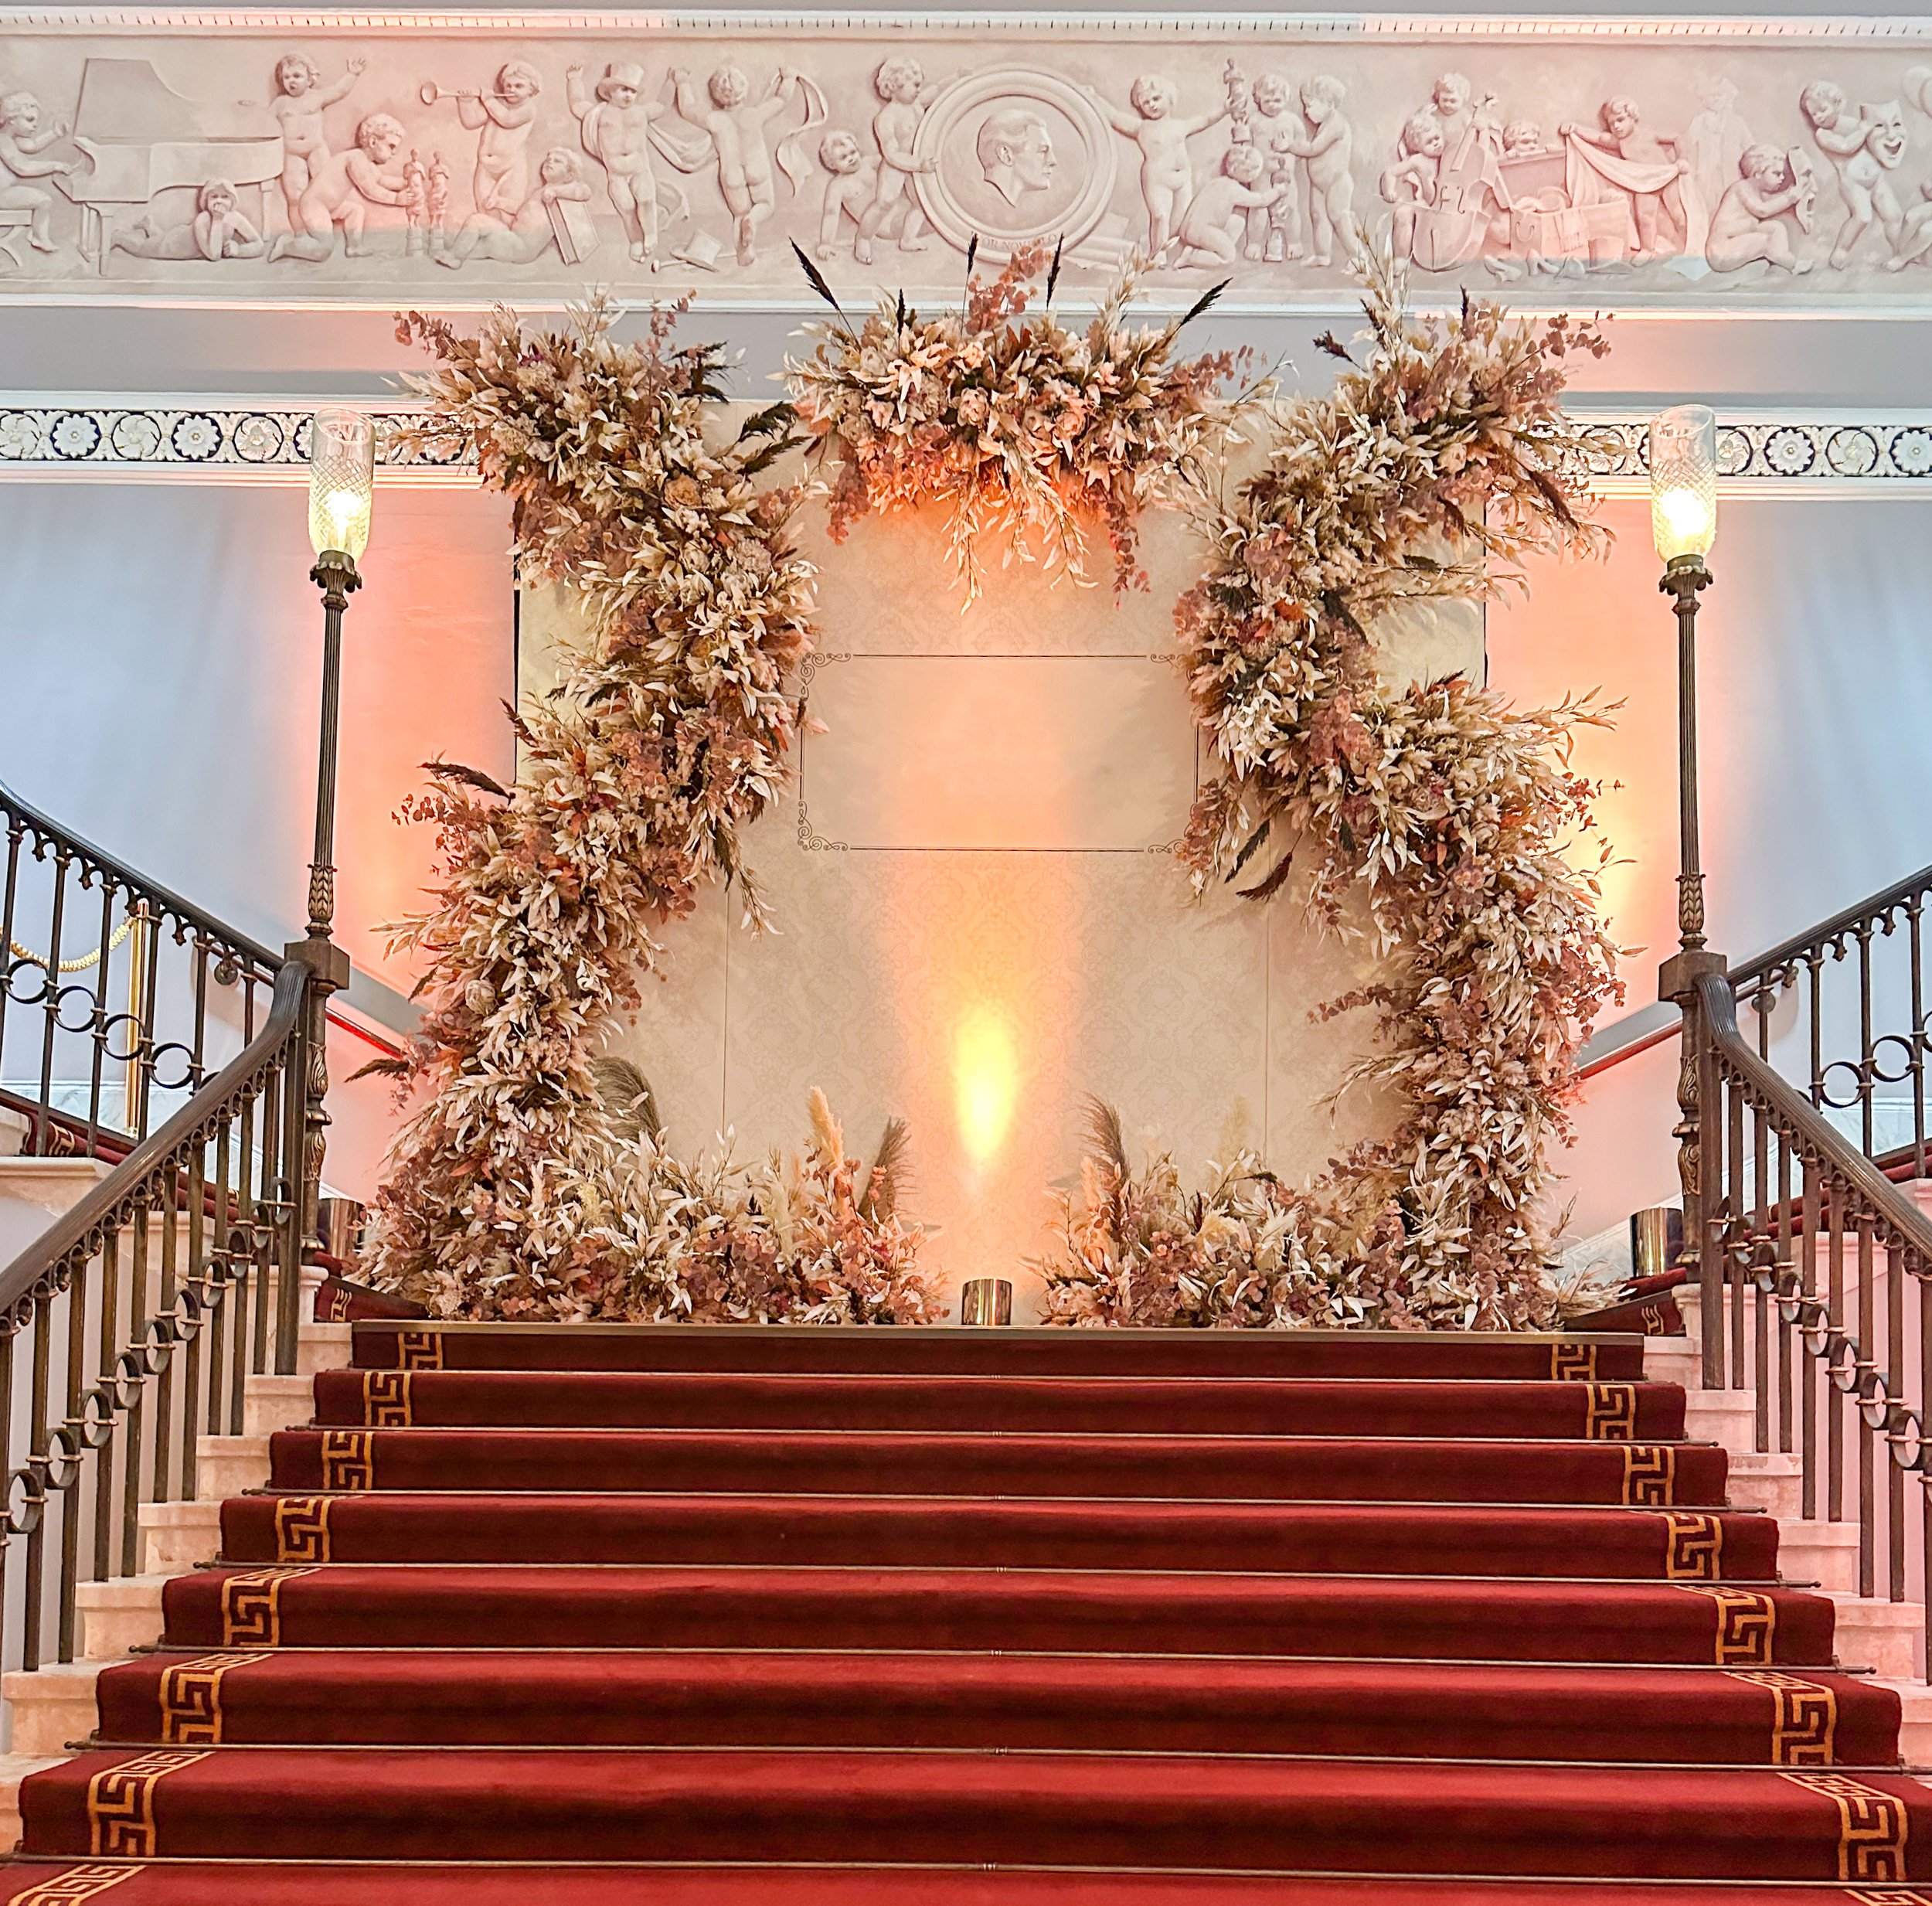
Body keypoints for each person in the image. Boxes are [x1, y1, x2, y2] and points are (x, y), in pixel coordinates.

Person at [671, 63, 805, 266]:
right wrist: (788, 78)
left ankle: (745, 254)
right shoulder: (754, 115)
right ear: (743, 90)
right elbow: (781, 100)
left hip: (731, 174)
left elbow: (687, 110)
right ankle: (753, 220)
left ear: (716, 94)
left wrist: (682, 82)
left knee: (739, 214)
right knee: (766, 205)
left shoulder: (714, 119)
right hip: (756, 168)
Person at [1089, 75, 1229, 262]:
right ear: (1139, 106)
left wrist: (1225, 109)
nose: (1152, 105)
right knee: (1161, 215)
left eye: (1156, 99)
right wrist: (1094, 98)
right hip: (1157, 179)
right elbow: (1114, 117)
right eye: (1146, 102)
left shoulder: (1180, 126)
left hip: (1183, 179)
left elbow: (1206, 119)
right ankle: (1158, 252)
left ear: (1169, 98)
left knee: (1179, 221)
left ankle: (1162, 245)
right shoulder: (1142, 128)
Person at [269, 111, 410, 261]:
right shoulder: (356, 159)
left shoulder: (366, 163)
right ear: (373, 142)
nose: (394, 152)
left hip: (330, 205)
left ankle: (354, 247)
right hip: (315, 205)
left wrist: (405, 182)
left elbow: (382, 180)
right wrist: (396, 199)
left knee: (355, 210)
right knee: (324, 249)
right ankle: (286, 245)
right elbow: (370, 190)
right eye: (391, 146)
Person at [568, 60, 669, 263]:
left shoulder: (641, 112)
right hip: (616, 173)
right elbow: (577, 104)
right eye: (624, 89)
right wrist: (574, 79)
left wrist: (673, 82)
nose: (628, 95)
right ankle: (635, 241)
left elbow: (662, 105)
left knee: (647, 200)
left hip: (639, 168)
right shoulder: (599, 113)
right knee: (626, 208)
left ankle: (651, 234)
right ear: (610, 91)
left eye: (633, 91)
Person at [437, 147, 593, 267]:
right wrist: (498, 202)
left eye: (557, 161)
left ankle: (456, 255)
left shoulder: (563, 192)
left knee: (490, 243)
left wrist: (556, 190)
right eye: (548, 159)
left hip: (524, 247)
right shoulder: (541, 191)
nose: (550, 162)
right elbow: (522, 208)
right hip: (514, 236)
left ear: (569, 176)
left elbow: (584, 192)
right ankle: (456, 251)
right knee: (476, 220)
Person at [269, 53, 366, 231]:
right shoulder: (280, 104)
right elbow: (264, 122)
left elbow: (339, 91)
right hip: (292, 152)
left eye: (297, 76)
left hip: (316, 149)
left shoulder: (316, 97)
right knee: (295, 196)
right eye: (286, 77)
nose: (292, 81)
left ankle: (323, 227)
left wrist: (353, 74)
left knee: (325, 190)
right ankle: (301, 235)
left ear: (309, 78)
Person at [855, 56, 934, 266]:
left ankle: (908, 239)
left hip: (917, 163)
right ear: (895, 86)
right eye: (914, 85)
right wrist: (918, 165)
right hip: (896, 167)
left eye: (920, 85)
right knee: (885, 203)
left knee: (921, 203)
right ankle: (863, 238)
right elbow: (891, 155)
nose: (919, 89)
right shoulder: (886, 118)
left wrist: (957, 77)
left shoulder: (916, 104)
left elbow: (936, 91)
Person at [457, 60, 540, 221]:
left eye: (519, 86)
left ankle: (505, 242)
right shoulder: (498, 104)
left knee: (507, 211)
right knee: (484, 209)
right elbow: (471, 122)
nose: (512, 90)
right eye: (508, 85)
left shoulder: (528, 109)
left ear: (531, 89)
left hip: (510, 169)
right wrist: (464, 103)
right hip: (486, 168)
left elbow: (507, 119)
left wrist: (488, 100)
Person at [113, 177, 265, 260]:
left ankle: (150, 225)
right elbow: (214, 255)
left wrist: (240, 250)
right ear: (206, 200)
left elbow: (259, 245)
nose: (219, 201)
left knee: (158, 239)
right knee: (144, 249)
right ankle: (119, 237)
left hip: (180, 238)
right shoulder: (203, 220)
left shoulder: (235, 218)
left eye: (225, 197)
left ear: (233, 200)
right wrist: (217, 221)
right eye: (214, 197)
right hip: (176, 245)